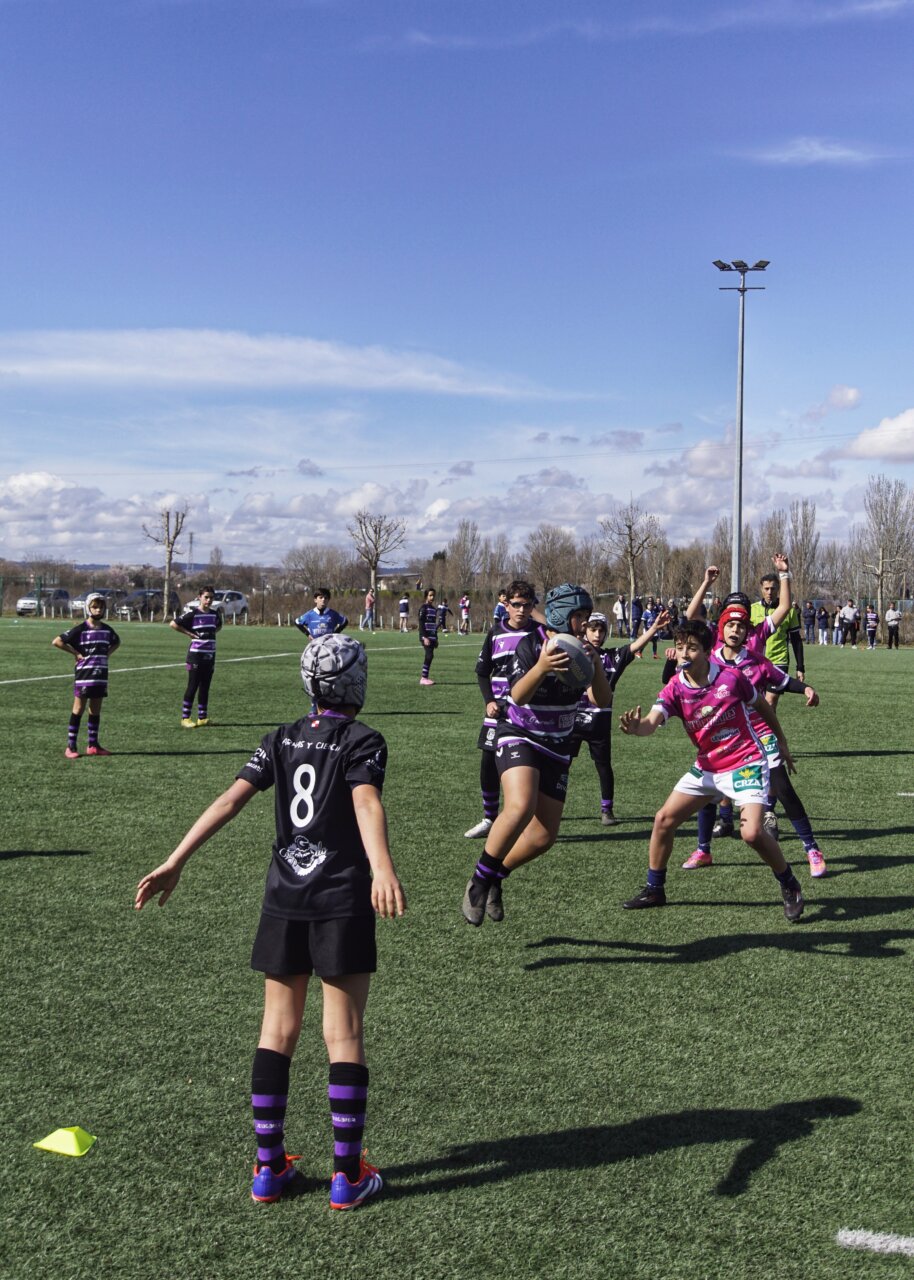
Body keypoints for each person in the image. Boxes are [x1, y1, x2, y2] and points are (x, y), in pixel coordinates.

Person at [135, 635, 405, 1210]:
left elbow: (229, 800)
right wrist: (382, 869)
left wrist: (175, 859)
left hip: (284, 899)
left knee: (276, 1032)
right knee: (344, 1035)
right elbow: (365, 804)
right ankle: (347, 1176)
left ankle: (267, 1169)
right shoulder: (364, 740)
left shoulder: (279, 738)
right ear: (356, 683)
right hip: (339, 900)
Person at [618, 619, 805, 922]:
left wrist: (781, 742)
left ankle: (789, 884)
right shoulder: (675, 688)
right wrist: (635, 728)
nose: (683, 654)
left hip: (745, 762)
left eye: (691, 647)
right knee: (664, 819)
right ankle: (655, 889)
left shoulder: (731, 679)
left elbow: (763, 707)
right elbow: (651, 722)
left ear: (707, 651)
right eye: (679, 647)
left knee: (752, 832)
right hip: (707, 766)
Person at [460, 584, 610, 927]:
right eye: (580, 617)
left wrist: (595, 665)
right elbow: (518, 694)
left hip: (558, 744)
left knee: (544, 836)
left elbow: (601, 699)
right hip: (519, 733)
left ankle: (498, 876)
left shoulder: (584, 651)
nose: (585, 625)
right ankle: (478, 883)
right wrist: (542, 666)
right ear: (560, 616)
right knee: (520, 805)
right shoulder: (532, 645)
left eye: (587, 618)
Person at [677, 599, 827, 878]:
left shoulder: (755, 661)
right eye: (730, 625)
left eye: (741, 626)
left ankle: (812, 849)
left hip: (759, 733)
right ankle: (703, 849)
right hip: (724, 738)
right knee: (709, 793)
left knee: (782, 786)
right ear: (721, 628)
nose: (736, 630)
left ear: (748, 632)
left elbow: (782, 681)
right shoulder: (708, 660)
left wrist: (806, 688)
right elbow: (679, 677)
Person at [569, 608, 669, 825]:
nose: (597, 634)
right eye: (592, 629)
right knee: (561, 765)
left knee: (604, 766)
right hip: (572, 721)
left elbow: (635, 646)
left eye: (601, 630)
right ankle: (552, 804)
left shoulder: (612, 657)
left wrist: (653, 628)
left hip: (599, 723)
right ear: (585, 630)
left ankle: (607, 810)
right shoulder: (574, 653)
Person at [464, 580, 539, 840]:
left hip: (528, 711)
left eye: (526, 605)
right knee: (488, 760)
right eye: (516, 604)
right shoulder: (495, 633)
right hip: (497, 710)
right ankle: (489, 818)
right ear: (506, 604)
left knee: (530, 763)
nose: (521, 610)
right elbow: (483, 672)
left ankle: (529, 817)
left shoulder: (539, 634)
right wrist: (489, 700)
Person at [52, 592, 121, 757]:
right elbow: (57, 641)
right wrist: (75, 653)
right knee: (78, 709)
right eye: (94, 607)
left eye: (101, 607)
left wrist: (106, 654)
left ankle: (93, 745)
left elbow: (117, 641)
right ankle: (71, 746)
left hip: (101, 675)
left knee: (95, 710)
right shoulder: (80, 629)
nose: (98, 610)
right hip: (85, 675)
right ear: (88, 608)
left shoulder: (107, 629)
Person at [749, 569, 804, 706]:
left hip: (778, 661)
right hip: (755, 662)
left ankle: (769, 728)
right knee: (755, 703)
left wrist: (800, 667)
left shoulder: (789, 611)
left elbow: (796, 641)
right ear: (761, 589)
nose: (769, 592)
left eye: (773, 588)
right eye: (766, 588)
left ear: (779, 589)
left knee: (770, 701)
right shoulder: (752, 609)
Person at [171, 586, 223, 728]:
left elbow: (218, 626)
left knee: (205, 687)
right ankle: (185, 718)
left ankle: (202, 717)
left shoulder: (215, 614)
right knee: (192, 686)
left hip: (210, 656)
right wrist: (189, 634)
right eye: (206, 597)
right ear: (199, 597)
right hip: (195, 656)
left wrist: (209, 636)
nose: (209, 600)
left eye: (211, 597)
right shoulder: (193, 614)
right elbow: (173, 624)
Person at [418, 588, 439, 685]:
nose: (432, 597)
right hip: (425, 637)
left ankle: (425, 677)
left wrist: (436, 638)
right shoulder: (424, 608)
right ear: (426, 596)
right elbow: (421, 623)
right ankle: (423, 678)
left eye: (433, 595)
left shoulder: (434, 609)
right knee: (429, 655)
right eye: (430, 595)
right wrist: (424, 637)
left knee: (430, 656)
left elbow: (433, 624)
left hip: (432, 637)